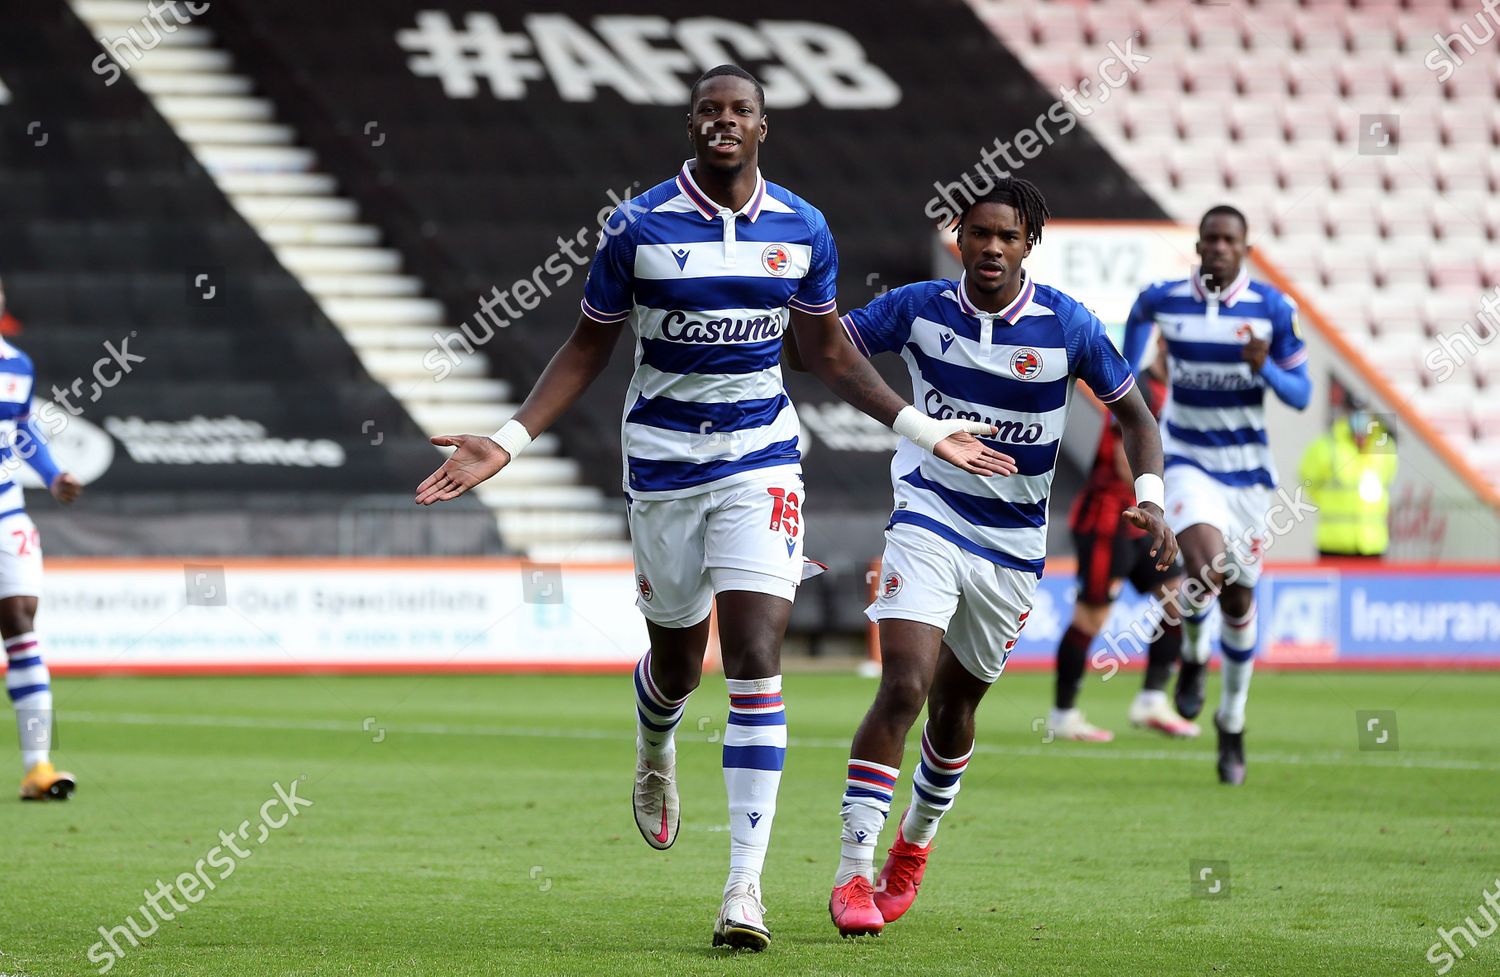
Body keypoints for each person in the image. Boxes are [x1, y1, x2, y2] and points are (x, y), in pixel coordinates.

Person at [414, 65, 1010, 951]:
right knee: (678, 665)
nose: (723, 121)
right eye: (708, 110)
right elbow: (586, 347)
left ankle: (743, 889)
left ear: (763, 127)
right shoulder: (638, 224)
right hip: (660, 465)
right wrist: (509, 438)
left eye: (739, 111)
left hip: (760, 460)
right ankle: (656, 746)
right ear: (690, 125)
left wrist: (923, 429)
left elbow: (830, 354)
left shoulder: (801, 227)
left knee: (757, 652)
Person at [819, 179, 1177, 937]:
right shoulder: (917, 307)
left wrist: (1151, 493)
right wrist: (918, 424)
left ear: (1027, 244)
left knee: (956, 708)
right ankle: (853, 871)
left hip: (1012, 548)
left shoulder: (1066, 325)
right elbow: (824, 349)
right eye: (977, 233)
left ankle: (912, 848)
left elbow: (1136, 414)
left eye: (1005, 236)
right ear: (960, 237)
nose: (989, 247)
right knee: (905, 684)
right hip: (927, 516)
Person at [1122, 204, 1310, 785]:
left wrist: (1265, 368)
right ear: (1199, 246)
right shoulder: (1163, 300)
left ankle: (1230, 720)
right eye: (1211, 239)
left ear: (1245, 249)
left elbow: (1301, 394)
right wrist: (1129, 402)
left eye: (1230, 240)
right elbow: (1128, 360)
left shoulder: (1272, 309)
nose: (1220, 248)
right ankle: (1195, 658)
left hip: (1249, 474)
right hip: (1187, 460)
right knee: (1209, 566)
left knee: (1236, 600)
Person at [1052, 337, 1199, 741]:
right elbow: (1123, 460)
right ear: (1166, 344)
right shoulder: (1143, 388)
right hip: (1110, 518)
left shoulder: (1179, 394)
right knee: (1092, 615)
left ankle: (1151, 699)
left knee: (1176, 597)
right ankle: (1062, 715)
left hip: (1146, 521)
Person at [0, 278, 84, 799]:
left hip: (6, 507)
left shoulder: (17, 365)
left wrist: (53, 475)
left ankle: (38, 767)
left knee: (20, 618)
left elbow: (23, 433)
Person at [1299, 398, 1396, 560]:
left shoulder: (1385, 445)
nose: (1360, 418)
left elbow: (1387, 480)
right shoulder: (1326, 445)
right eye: (1355, 412)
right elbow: (1308, 481)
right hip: (1334, 543)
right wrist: (1331, 501)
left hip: (1373, 543)